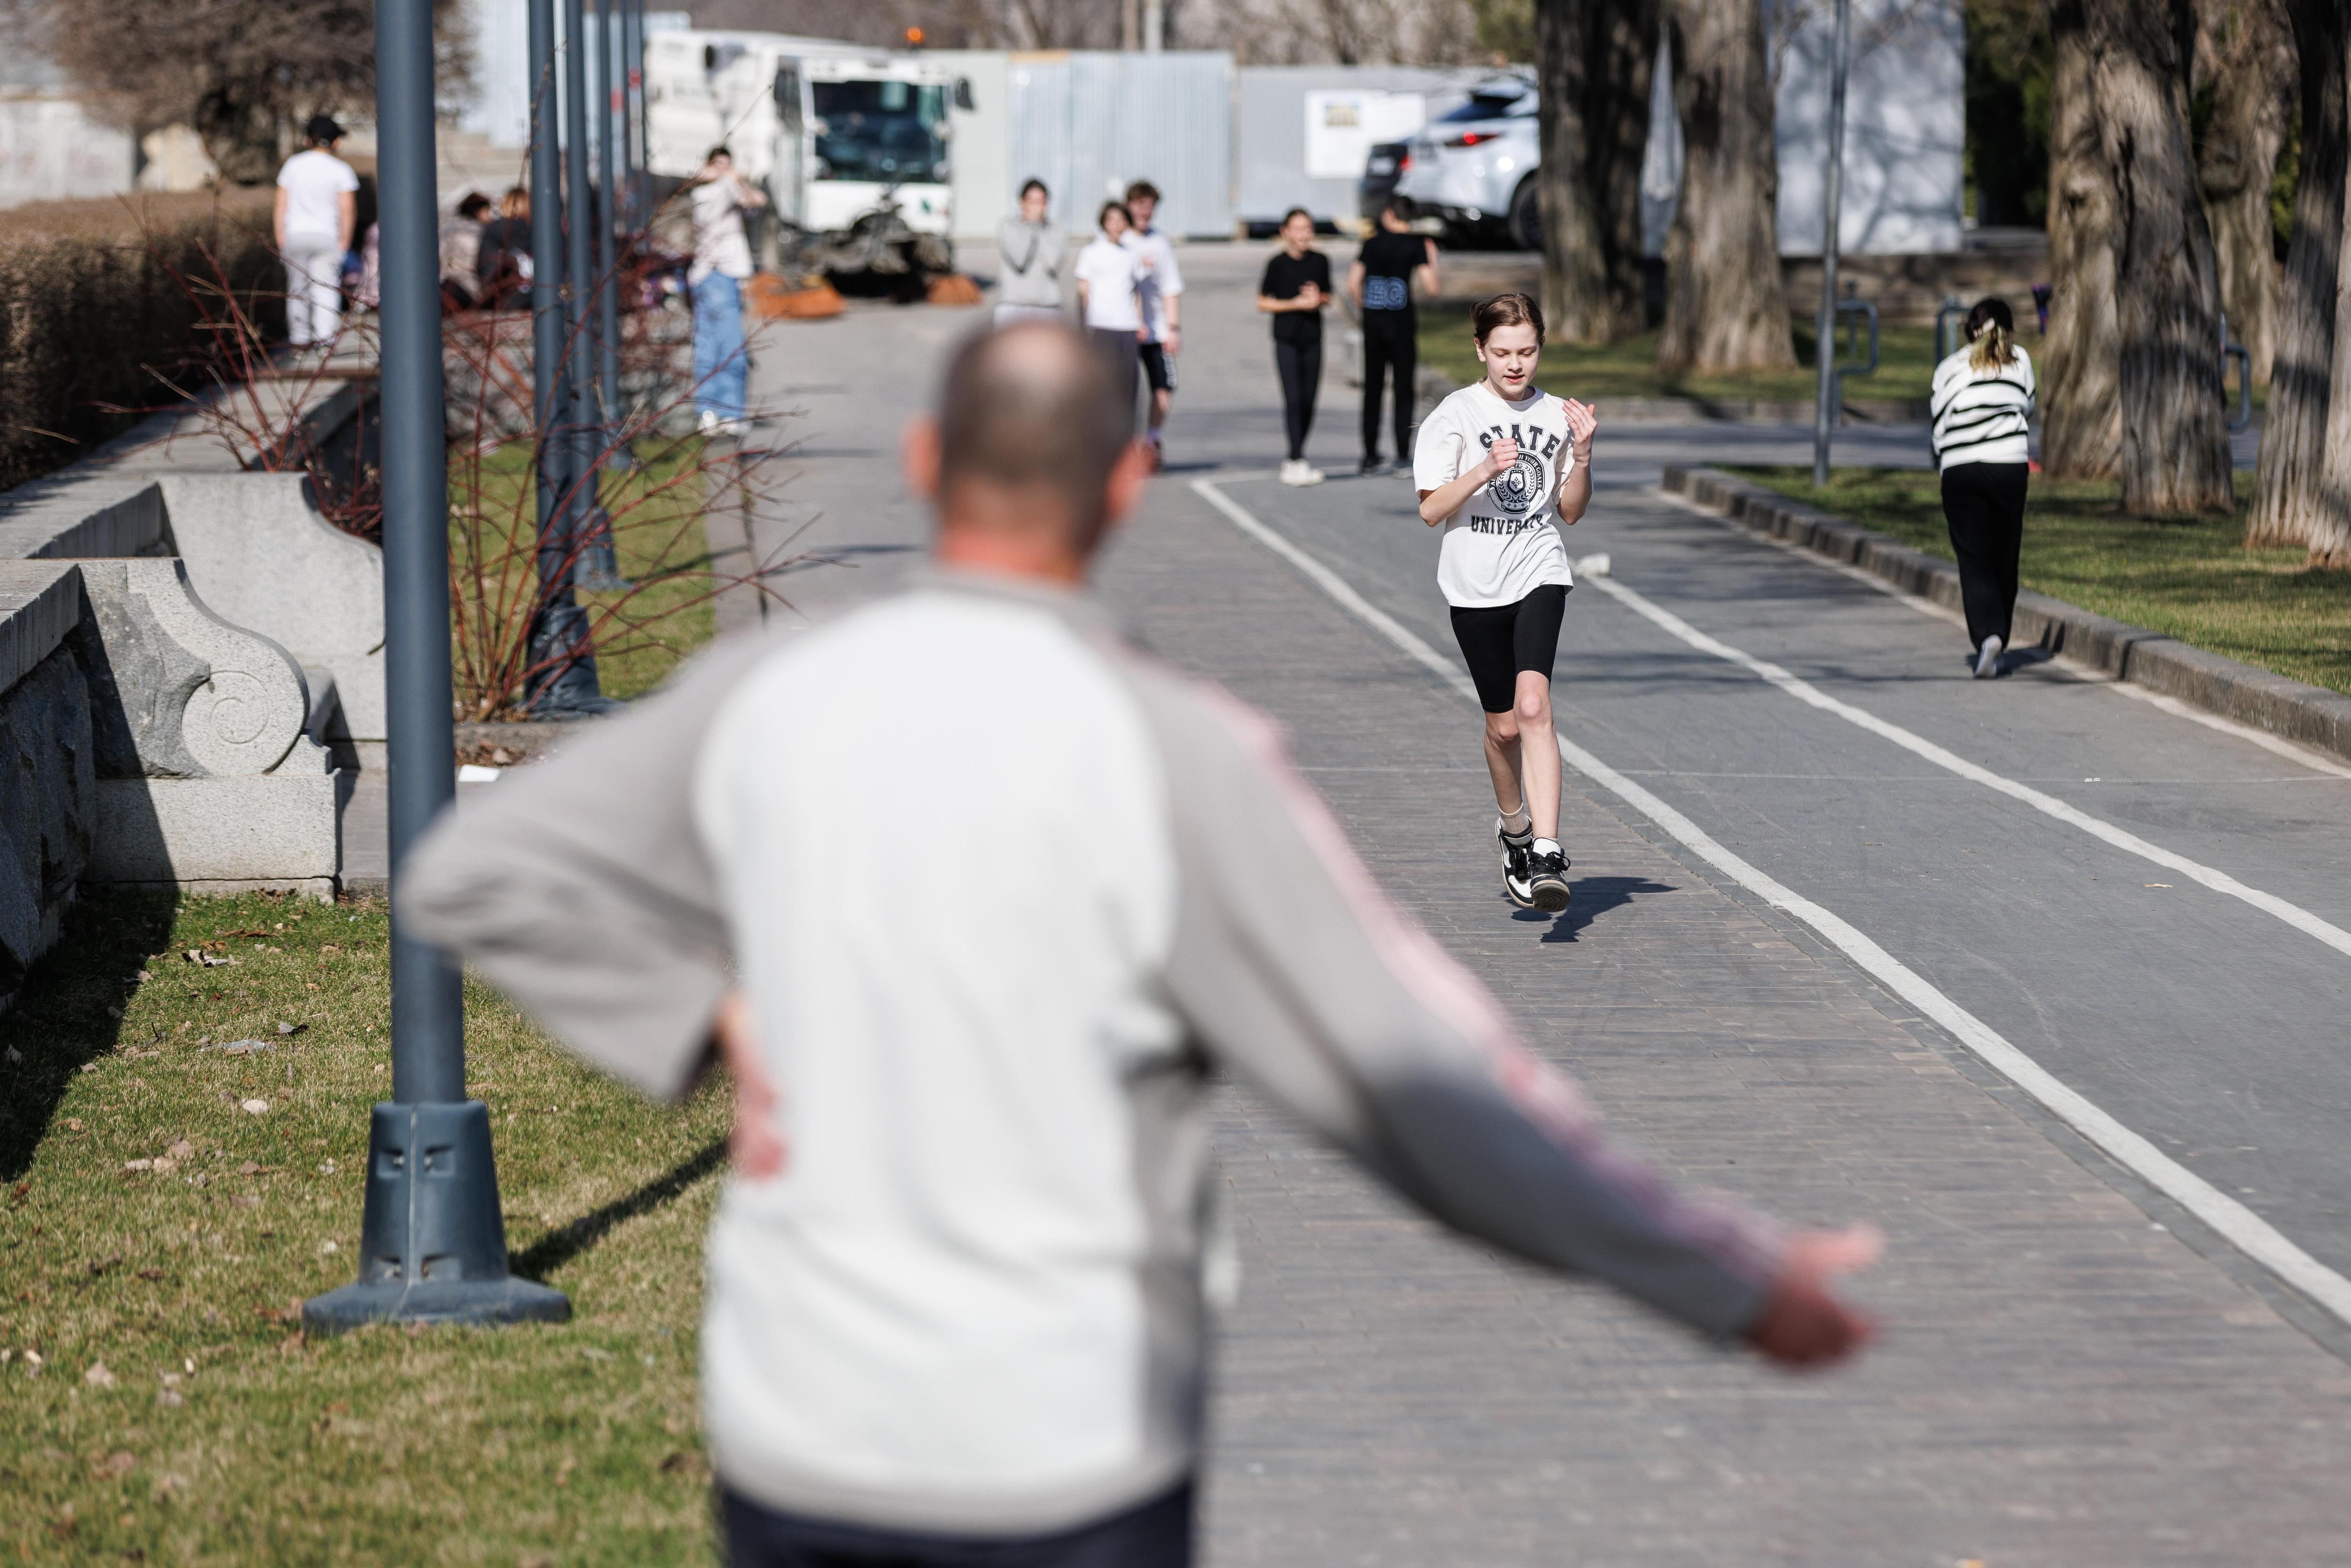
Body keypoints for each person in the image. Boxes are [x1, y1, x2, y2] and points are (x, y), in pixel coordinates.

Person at [401, 319, 1877, 1568]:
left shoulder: (771, 692)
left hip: (804, 1424)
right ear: (1128, 481)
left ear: (924, 466)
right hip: (1073, 1441)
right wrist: (1727, 1279)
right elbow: (1417, 1085)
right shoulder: (1181, 752)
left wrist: (705, 1010)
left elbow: (475, 868)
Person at [1416, 292, 1594, 915]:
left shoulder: (1557, 415)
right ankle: (1513, 825)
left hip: (1538, 568)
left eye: (1527, 351)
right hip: (1472, 585)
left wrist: (1585, 456)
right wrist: (1483, 471)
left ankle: (1546, 848)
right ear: (1480, 351)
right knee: (1503, 727)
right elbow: (1432, 509)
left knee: (1534, 702)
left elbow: (1570, 511)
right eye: (1502, 353)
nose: (1515, 365)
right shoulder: (1454, 415)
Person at [1930, 296, 2037, 679]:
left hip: (1961, 468)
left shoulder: (1949, 368)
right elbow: (2027, 405)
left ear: (1970, 331)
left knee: (1974, 557)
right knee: (2005, 553)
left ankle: (1988, 634)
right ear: (2008, 329)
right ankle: (2000, 636)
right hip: (2009, 463)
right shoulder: (2020, 360)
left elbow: (1939, 422)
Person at [1349, 196, 1439, 475]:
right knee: (1403, 389)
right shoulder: (1416, 245)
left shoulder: (1371, 243)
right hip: (1402, 325)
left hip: (1375, 324)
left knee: (1373, 389)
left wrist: (1369, 308)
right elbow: (1432, 288)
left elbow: (1353, 284)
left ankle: (1370, 455)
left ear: (1388, 215)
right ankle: (1402, 455)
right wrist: (1432, 259)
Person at [691, 145, 768, 436]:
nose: (725, 169)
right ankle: (723, 412)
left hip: (722, 275)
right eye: (718, 164)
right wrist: (726, 177)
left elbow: (758, 200)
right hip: (715, 274)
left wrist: (737, 179)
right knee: (725, 347)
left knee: (716, 345)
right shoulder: (706, 193)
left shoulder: (728, 189)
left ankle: (717, 412)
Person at [1256, 207, 1331, 486]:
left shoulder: (1321, 261)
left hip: (1313, 338)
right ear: (1285, 232)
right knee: (1294, 399)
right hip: (1286, 338)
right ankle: (1295, 459)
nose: (1303, 235)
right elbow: (1262, 301)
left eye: (1307, 229)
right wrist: (1293, 304)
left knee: (1310, 401)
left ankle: (1298, 457)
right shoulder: (1277, 264)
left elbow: (1329, 296)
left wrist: (1319, 298)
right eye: (1297, 229)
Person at [274, 115, 359, 351]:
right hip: (328, 236)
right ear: (336, 143)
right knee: (326, 287)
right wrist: (345, 242)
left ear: (307, 140)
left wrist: (281, 237)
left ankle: (299, 340)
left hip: (295, 235)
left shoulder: (292, 165)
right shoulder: (342, 170)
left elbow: (281, 204)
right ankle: (325, 339)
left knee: (297, 289)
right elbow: (348, 209)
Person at [1124, 180, 1185, 470]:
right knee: (1125, 390)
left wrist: (1173, 328)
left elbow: (1171, 287)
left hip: (1156, 329)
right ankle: (1128, 446)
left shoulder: (1160, 243)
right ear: (1128, 206)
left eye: (1149, 205)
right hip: (1124, 328)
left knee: (1165, 386)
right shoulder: (1119, 239)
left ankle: (1152, 439)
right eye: (1138, 204)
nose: (1144, 210)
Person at [1073, 199, 1146, 425]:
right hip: (1100, 326)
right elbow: (1083, 292)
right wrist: (1082, 327)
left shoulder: (1132, 254)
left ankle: (1127, 440)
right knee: (1102, 386)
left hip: (1127, 327)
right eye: (1112, 220)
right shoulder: (1091, 252)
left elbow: (1136, 292)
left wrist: (1141, 322)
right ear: (1103, 223)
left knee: (1129, 388)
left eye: (1121, 220)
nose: (1116, 225)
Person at [995, 178, 1066, 327]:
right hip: (1013, 306)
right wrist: (1032, 226)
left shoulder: (1056, 229)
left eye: (1040, 202)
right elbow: (1019, 259)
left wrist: (1038, 227)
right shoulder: (1008, 226)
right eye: (1031, 201)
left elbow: (1053, 263)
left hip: (1048, 307)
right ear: (1022, 203)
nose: (1036, 207)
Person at [473, 187, 533, 310]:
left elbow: (485, 266)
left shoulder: (494, 230)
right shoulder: (539, 230)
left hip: (502, 298)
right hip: (534, 296)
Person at [440, 191, 493, 311]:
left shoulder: (446, 231)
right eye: (488, 211)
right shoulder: (479, 234)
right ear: (479, 211)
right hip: (469, 286)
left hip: (446, 284)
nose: (491, 217)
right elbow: (480, 263)